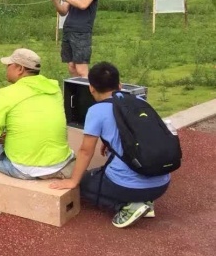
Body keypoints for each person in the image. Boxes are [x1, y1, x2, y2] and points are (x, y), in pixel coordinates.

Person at [50, 62, 170, 228]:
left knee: (83, 185)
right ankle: (146, 203)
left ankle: (126, 206)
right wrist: (110, 143)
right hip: (161, 184)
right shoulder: (139, 102)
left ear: (91, 88)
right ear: (120, 85)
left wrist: (73, 181)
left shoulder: (96, 111)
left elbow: (85, 151)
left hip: (128, 186)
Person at [0, 48, 75, 180]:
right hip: (60, 162)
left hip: (25, 168)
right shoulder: (55, 89)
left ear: (20, 69)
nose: (6, 69)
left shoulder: (7, 94)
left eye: (9, 65)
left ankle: (0, 177)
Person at [47, 0, 101, 78]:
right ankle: (75, 95)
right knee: (71, 67)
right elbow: (63, 11)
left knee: (81, 69)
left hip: (81, 32)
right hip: (68, 30)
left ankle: (87, 94)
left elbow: (83, 4)